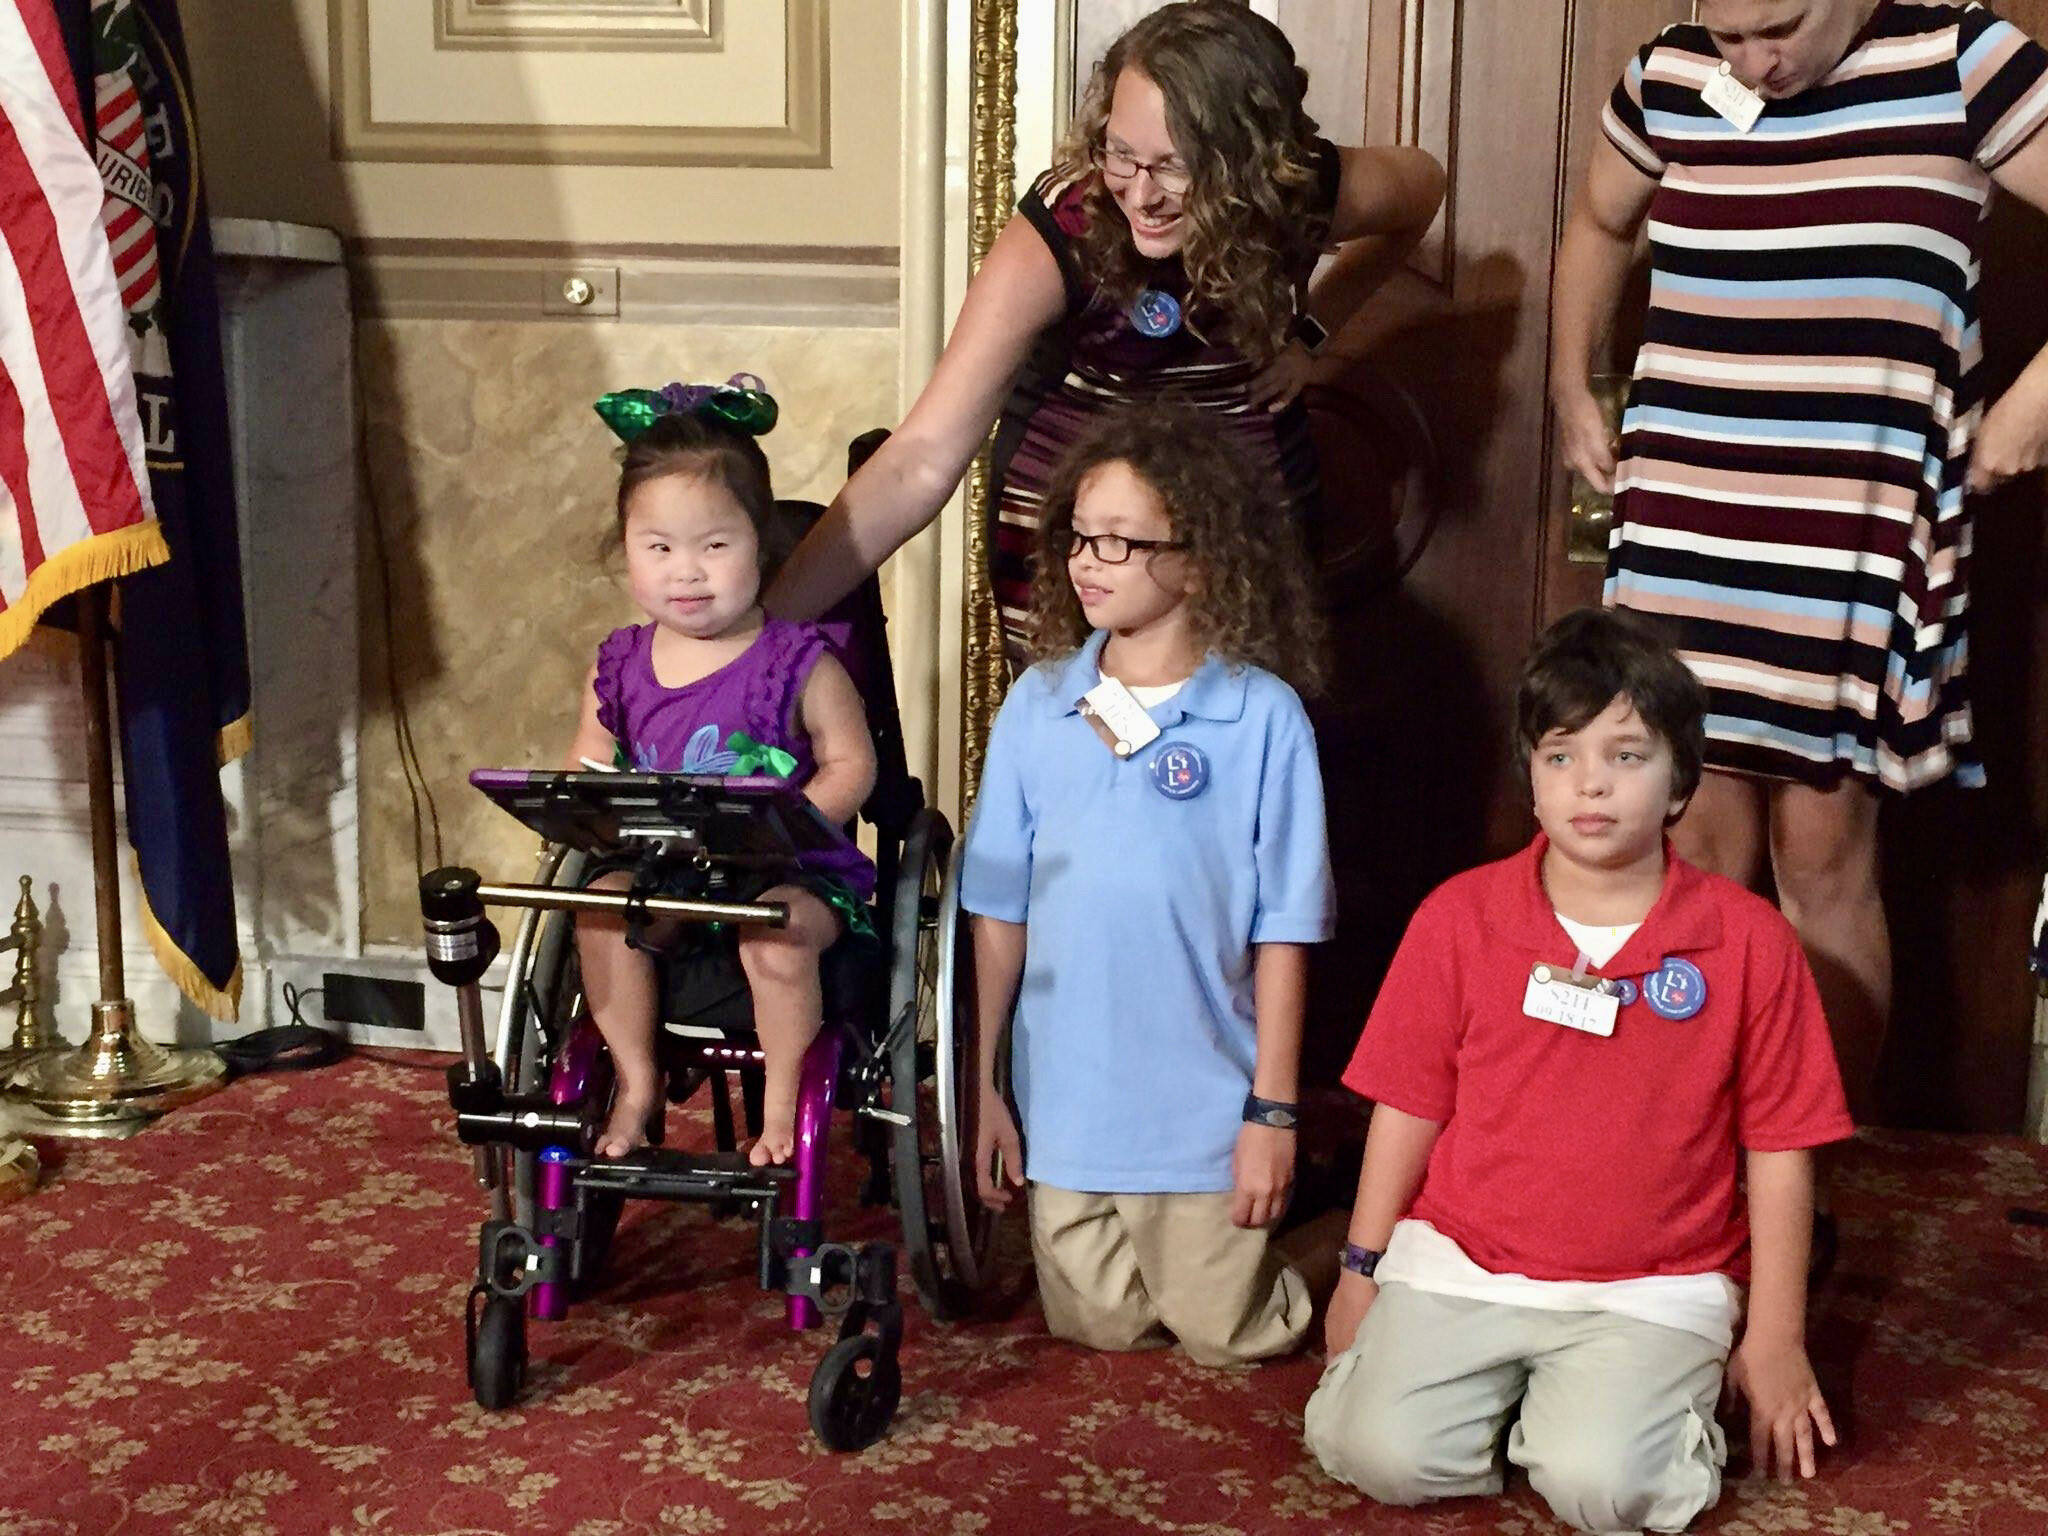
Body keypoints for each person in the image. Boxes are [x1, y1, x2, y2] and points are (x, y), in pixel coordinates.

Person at [1550, 0, 2048, 1118]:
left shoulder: (1960, 62)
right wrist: (1568, 379)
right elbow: (1594, 221)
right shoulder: (1667, 78)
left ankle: (1814, 1170)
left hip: (1851, 537)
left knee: (1822, 863)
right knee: (1691, 851)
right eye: (1726, 36)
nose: (1752, 61)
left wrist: (2030, 407)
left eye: (1776, 28)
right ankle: (1686, 1145)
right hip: (1686, 523)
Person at [1303, 608, 1855, 1534]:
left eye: (1627, 756)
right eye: (1560, 756)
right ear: (1530, 774)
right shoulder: (1458, 916)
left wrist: (1776, 1334)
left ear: (1683, 779)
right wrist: (1361, 1270)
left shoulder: (1750, 939)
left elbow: (1781, 1147)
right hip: (1464, 1263)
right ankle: (1531, 1404)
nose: (1590, 785)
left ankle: (1581, 1415)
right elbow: (1408, 1106)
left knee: (1606, 1489)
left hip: (1654, 1283)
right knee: (1382, 1455)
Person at [769, 0, 1445, 653]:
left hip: (1242, 522)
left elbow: (1424, 186)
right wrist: (762, 634)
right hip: (1078, 534)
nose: (1141, 193)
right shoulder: (1067, 226)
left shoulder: (1300, 191)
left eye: (1175, 166)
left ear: (1251, 163)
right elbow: (919, 460)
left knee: (1237, 740)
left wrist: (1312, 337)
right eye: (1120, 153)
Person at [958, 405, 1335, 1365]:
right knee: (1101, 1330)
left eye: (1122, 543)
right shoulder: (1037, 706)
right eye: (1080, 536)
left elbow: (1285, 931)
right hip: (1071, 1108)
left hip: (1204, 1111)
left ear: (1202, 562)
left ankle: (1353, 1244)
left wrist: (1273, 1113)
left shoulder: (1263, 717)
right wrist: (984, 1083)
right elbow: (998, 911)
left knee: (1232, 1337)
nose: (1089, 561)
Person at [565, 379, 878, 1165]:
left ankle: (781, 1109)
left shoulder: (797, 661)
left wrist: (795, 819)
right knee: (600, 907)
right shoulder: (619, 663)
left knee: (774, 935)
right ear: (627, 548)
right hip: (667, 870)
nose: (688, 572)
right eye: (660, 548)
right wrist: (581, 802)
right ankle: (636, 1082)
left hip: (784, 874)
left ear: (761, 544)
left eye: (715, 546)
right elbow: (591, 762)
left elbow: (852, 763)